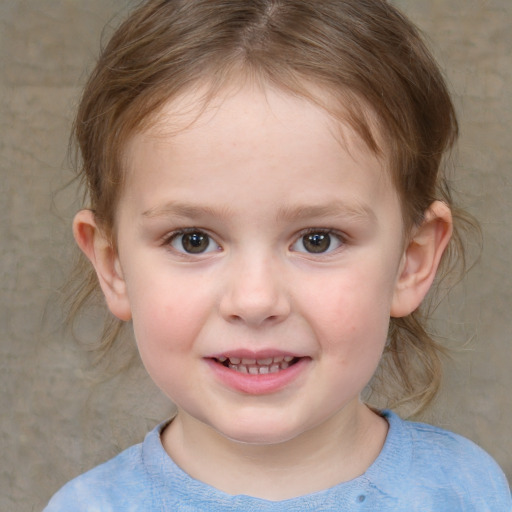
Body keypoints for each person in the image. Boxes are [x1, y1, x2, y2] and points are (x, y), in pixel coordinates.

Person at [44, 0, 511, 510]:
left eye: (318, 239)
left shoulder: (467, 490)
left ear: (411, 260)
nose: (255, 299)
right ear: (114, 267)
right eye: (193, 240)